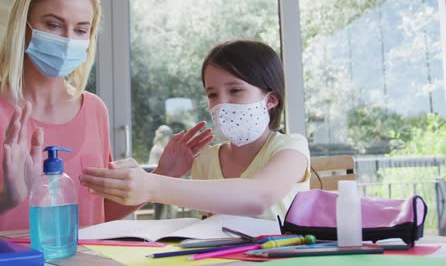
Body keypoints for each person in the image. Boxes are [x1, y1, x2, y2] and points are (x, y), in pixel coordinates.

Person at [0, 0, 212, 232]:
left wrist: (161, 174)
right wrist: (6, 196)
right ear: (23, 26)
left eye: (80, 30)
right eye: (54, 25)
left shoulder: (94, 110)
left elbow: (97, 213)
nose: (67, 39)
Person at [80, 40, 310, 221]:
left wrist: (152, 185)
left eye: (236, 90)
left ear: (270, 99)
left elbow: (260, 197)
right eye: (212, 94)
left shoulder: (291, 149)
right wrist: (163, 173)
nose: (222, 103)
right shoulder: (207, 161)